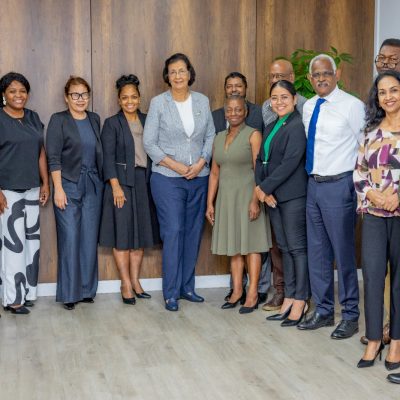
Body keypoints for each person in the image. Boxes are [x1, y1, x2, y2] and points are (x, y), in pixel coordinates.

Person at [297, 54, 365, 340]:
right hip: (313, 185)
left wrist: (360, 190)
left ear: (337, 75)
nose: (321, 78)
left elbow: (365, 148)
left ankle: (350, 315)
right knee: (318, 252)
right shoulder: (309, 106)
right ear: (310, 79)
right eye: (316, 75)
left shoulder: (352, 106)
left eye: (326, 73)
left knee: (343, 252)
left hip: (340, 185)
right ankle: (324, 310)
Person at [143, 53, 215, 312]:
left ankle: (187, 287)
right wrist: (178, 166)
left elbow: (210, 135)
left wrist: (201, 162)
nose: (177, 76)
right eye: (172, 71)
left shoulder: (202, 101)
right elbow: (149, 143)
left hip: (199, 177)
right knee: (173, 232)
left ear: (189, 73)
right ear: (167, 76)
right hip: (167, 179)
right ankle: (171, 292)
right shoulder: (158, 103)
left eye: (182, 70)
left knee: (193, 233)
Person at [206, 94, 271, 313]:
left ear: (246, 112)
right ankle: (236, 291)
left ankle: (252, 293)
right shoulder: (218, 137)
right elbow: (214, 173)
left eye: (238, 109)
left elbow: (259, 170)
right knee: (233, 246)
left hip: (247, 197)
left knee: (251, 246)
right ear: (225, 113)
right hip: (226, 199)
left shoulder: (253, 135)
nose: (233, 113)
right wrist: (210, 203)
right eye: (229, 110)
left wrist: (255, 200)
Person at [99, 74, 160, 304]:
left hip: (144, 182)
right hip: (121, 183)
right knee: (123, 235)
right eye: (125, 97)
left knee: (140, 235)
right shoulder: (112, 123)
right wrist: (115, 186)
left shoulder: (148, 119)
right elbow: (107, 158)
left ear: (139, 98)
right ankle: (125, 283)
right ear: (119, 100)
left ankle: (136, 281)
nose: (130, 101)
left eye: (133, 97)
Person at [354, 71, 400, 369]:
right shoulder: (370, 132)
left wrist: (397, 197)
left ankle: (396, 342)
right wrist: (374, 195)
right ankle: (373, 339)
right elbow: (358, 172)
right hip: (373, 214)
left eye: (394, 90)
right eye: (382, 92)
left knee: (399, 282)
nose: (388, 96)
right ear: (377, 98)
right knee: (371, 276)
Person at [46, 76, 104, 310]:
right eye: (75, 95)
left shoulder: (94, 119)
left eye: (85, 94)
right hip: (68, 185)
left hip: (93, 185)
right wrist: (58, 189)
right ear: (66, 97)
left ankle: (87, 290)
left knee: (89, 238)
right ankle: (70, 293)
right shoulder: (58, 120)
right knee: (70, 238)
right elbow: (53, 157)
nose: (81, 99)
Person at [255, 80, 310, 326]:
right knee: (285, 248)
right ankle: (289, 296)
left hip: (292, 196)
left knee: (297, 248)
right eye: (275, 98)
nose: (279, 102)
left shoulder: (297, 125)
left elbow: (290, 163)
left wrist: (264, 188)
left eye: (284, 97)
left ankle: (301, 299)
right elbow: (260, 160)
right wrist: (262, 189)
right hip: (273, 197)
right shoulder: (271, 125)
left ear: (295, 99)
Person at [0, 72, 49, 315]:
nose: (18, 95)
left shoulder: (33, 117)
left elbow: (40, 152)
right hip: (8, 190)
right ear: (4, 95)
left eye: (22, 91)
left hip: (32, 188)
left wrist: (45, 183)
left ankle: (28, 292)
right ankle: (13, 299)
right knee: (14, 247)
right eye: (12, 91)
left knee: (32, 244)